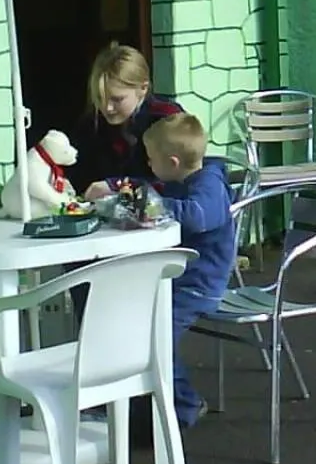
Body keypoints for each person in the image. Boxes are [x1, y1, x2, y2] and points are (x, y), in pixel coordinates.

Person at [87, 111, 236, 428]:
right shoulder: (182, 178)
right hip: (176, 276)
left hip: (199, 283)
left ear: (172, 162)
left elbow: (199, 215)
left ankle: (184, 405)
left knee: (155, 335)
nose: (149, 164)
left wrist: (149, 207)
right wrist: (115, 187)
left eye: (152, 159)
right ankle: (132, 399)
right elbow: (149, 185)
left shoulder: (208, 184)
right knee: (127, 317)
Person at [66, 42, 183, 195]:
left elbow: (183, 181)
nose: (107, 108)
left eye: (117, 99)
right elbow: (76, 176)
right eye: (100, 98)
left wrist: (117, 186)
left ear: (143, 88)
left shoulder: (168, 120)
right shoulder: (90, 124)